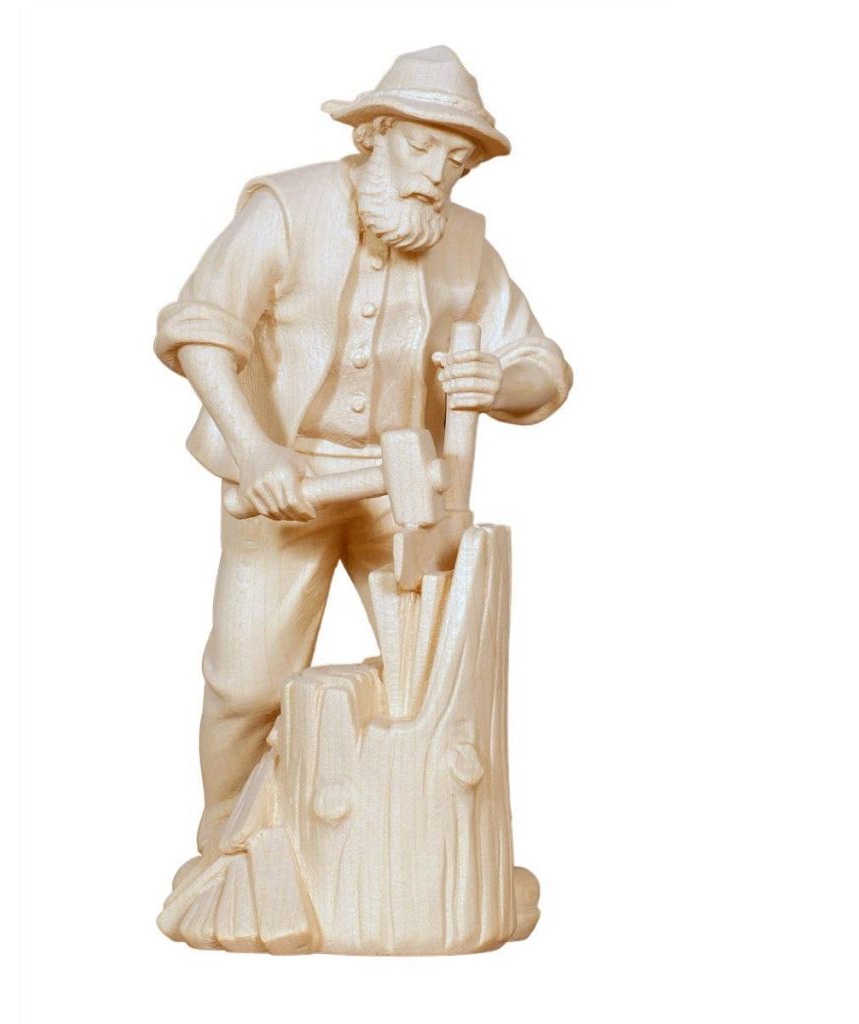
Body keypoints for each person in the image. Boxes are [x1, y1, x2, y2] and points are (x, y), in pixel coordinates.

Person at [154, 46, 573, 853]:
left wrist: (501, 380)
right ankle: (225, 847)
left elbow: (542, 366)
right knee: (246, 685)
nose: (437, 176)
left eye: (456, 160)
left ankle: (424, 850)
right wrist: (255, 451)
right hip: (285, 481)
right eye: (422, 146)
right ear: (373, 133)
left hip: (405, 489)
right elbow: (203, 327)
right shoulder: (286, 209)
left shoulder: (467, 247)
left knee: (443, 672)